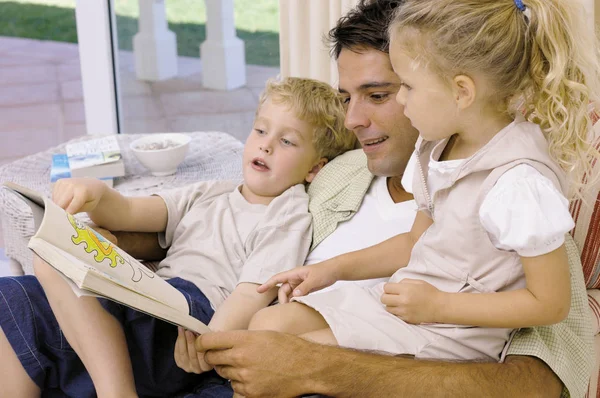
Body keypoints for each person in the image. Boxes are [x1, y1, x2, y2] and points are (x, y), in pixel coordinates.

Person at [186, 1, 594, 397]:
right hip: (398, 301)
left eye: (388, 92)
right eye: (347, 98)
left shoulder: (520, 188)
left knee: (274, 359)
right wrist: (327, 270)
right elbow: (413, 242)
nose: (351, 120)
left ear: (461, 91)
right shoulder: (394, 159)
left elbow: (547, 320)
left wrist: (438, 306)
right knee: (265, 325)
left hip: (441, 331)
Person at [0, 77, 356, 397]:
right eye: (260, 131)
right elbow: (128, 213)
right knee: (21, 299)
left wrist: (209, 343)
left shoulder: (286, 213)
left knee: (54, 265)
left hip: (187, 320)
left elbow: (252, 292)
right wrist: (94, 194)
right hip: (148, 297)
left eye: (287, 141)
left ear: (314, 168)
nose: (266, 146)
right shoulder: (213, 192)